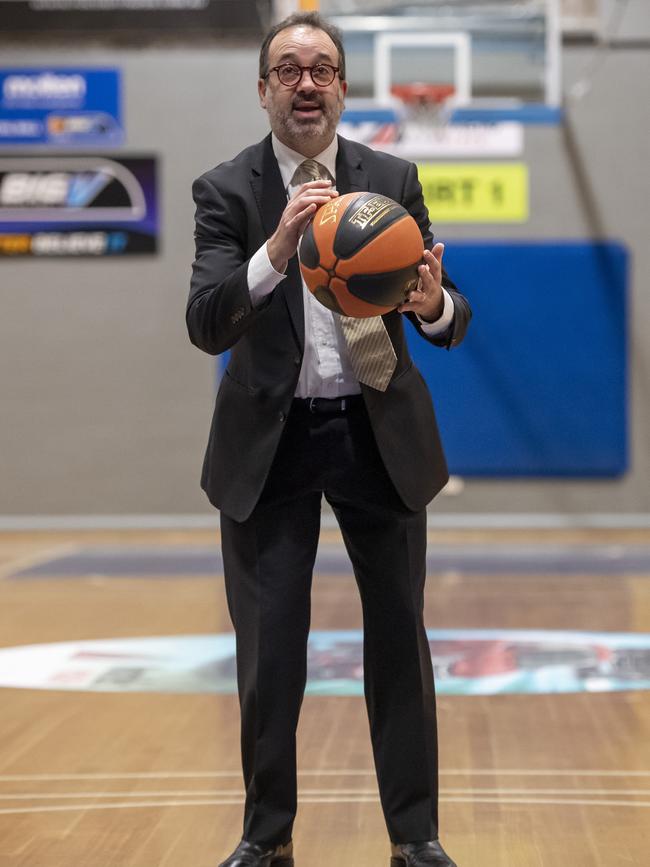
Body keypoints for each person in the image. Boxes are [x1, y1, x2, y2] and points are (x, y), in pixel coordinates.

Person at [187, 12, 471, 867]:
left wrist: (431, 304)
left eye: (322, 68)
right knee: (269, 651)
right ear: (265, 89)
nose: (306, 83)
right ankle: (266, 836)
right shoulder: (227, 191)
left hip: (372, 433)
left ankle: (415, 837)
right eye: (288, 69)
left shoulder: (391, 178)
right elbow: (206, 322)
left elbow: (451, 315)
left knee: (398, 638)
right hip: (270, 446)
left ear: (342, 85)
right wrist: (275, 250)